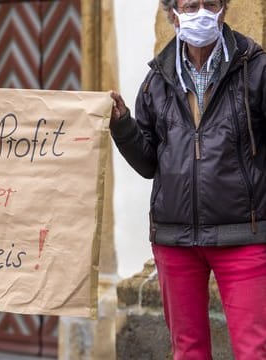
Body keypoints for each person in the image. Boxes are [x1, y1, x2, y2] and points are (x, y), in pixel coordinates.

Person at [110, 0, 266, 359]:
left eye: (209, 3)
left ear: (223, 9)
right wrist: (122, 126)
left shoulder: (255, 69)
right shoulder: (156, 80)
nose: (200, 13)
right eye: (190, 5)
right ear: (172, 13)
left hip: (243, 235)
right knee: (188, 351)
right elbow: (149, 163)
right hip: (175, 239)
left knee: (254, 350)